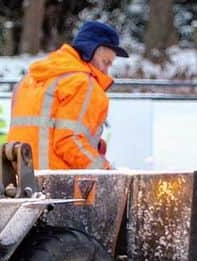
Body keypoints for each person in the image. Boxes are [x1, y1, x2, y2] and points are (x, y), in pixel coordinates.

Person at [7, 20, 127, 170]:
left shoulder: (30, 79)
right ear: (90, 52)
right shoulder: (83, 84)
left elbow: (40, 131)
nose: (106, 71)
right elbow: (69, 141)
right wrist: (106, 172)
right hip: (59, 184)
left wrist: (92, 144)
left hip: (21, 182)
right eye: (105, 62)